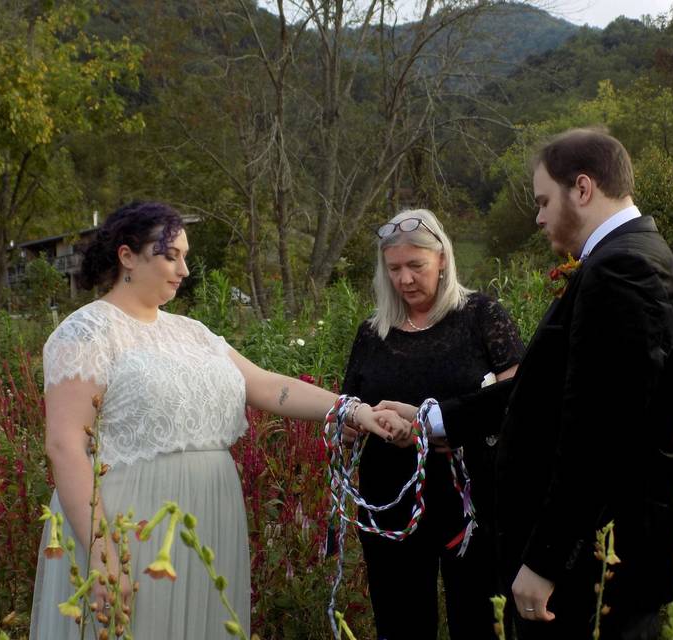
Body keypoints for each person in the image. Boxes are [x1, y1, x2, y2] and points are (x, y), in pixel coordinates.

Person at [29, 201, 406, 639]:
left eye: (185, 257)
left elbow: (267, 386)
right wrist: (100, 550)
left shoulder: (194, 334)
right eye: (171, 255)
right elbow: (64, 444)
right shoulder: (86, 332)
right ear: (127, 256)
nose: (184, 270)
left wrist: (352, 410)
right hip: (129, 523)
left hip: (207, 519)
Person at [381, 129, 673, 639]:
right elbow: (548, 388)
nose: (538, 216)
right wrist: (432, 419)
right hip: (590, 555)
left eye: (543, 200)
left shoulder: (625, 270)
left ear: (583, 188)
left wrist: (547, 560)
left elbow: (599, 433)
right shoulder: (622, 259)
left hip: (595, 563)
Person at [340, 208, 524, 640]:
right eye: (395, 269)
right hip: (390, 497)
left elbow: (515, 398)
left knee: (480, 615)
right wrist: (356, 426)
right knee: (400, 618)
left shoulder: (482, 316)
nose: (405, 279)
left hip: (471, 495)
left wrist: (435, 424)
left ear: (442, 258)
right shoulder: (373, 332)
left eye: (415, 266)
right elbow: (349, 406)